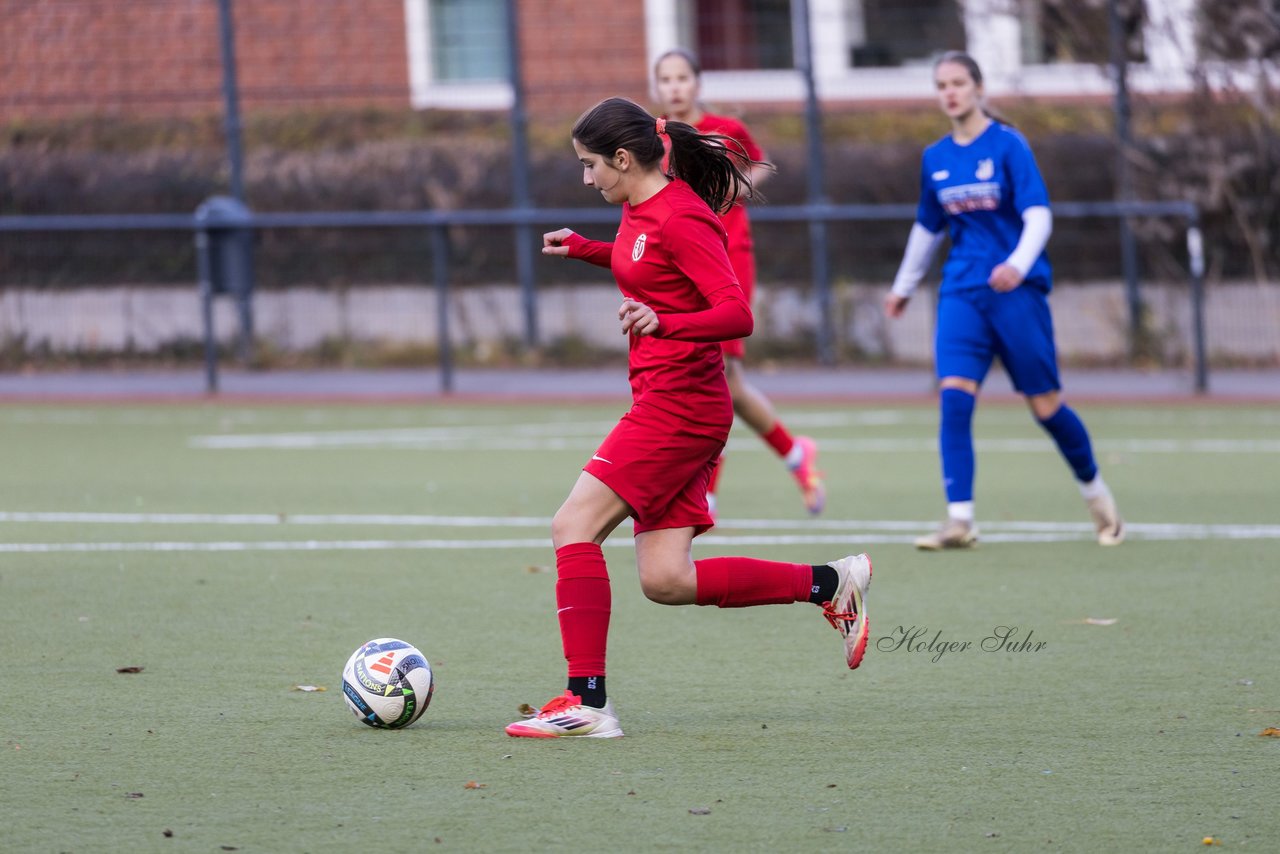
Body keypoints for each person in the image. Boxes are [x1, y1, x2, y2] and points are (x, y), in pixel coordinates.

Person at [505, 97, 871, 739]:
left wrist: (664, 322)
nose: (586, 178)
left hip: (680, 408)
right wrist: (586, 249)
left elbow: (737, 314)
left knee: (572, 525)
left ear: (623, 158)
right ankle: (831, 583)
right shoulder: (637, 208)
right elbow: (644, 262)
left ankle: (586, 703)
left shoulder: (682, 216)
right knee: (666, 579)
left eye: (590, 165)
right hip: (666, 400)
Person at [883, 51, 1124, 551]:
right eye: (941, 85)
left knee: (1046, 406)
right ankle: (960, 520)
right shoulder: (935, 157)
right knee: (954, 397)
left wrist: (1017, 263)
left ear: (979, 88)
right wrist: (904, 286)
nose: (950, 92)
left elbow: (1039, 215)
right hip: (962, 292)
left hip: (1016, 293)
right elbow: (927, 228)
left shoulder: (1009, 145)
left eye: (958, 83)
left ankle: (1097, 495)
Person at [652, 48, 824, 519]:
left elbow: (761, 164)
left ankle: (706, 492)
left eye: (682, 77)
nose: (674, 86)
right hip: (682, 263)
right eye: (665, 79)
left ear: (697, 82)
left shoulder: (725, 129)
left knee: (721, 374)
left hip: (729, 257)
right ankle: (794, 454)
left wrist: (738, 185)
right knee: (720, 378)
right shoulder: (656, 137)